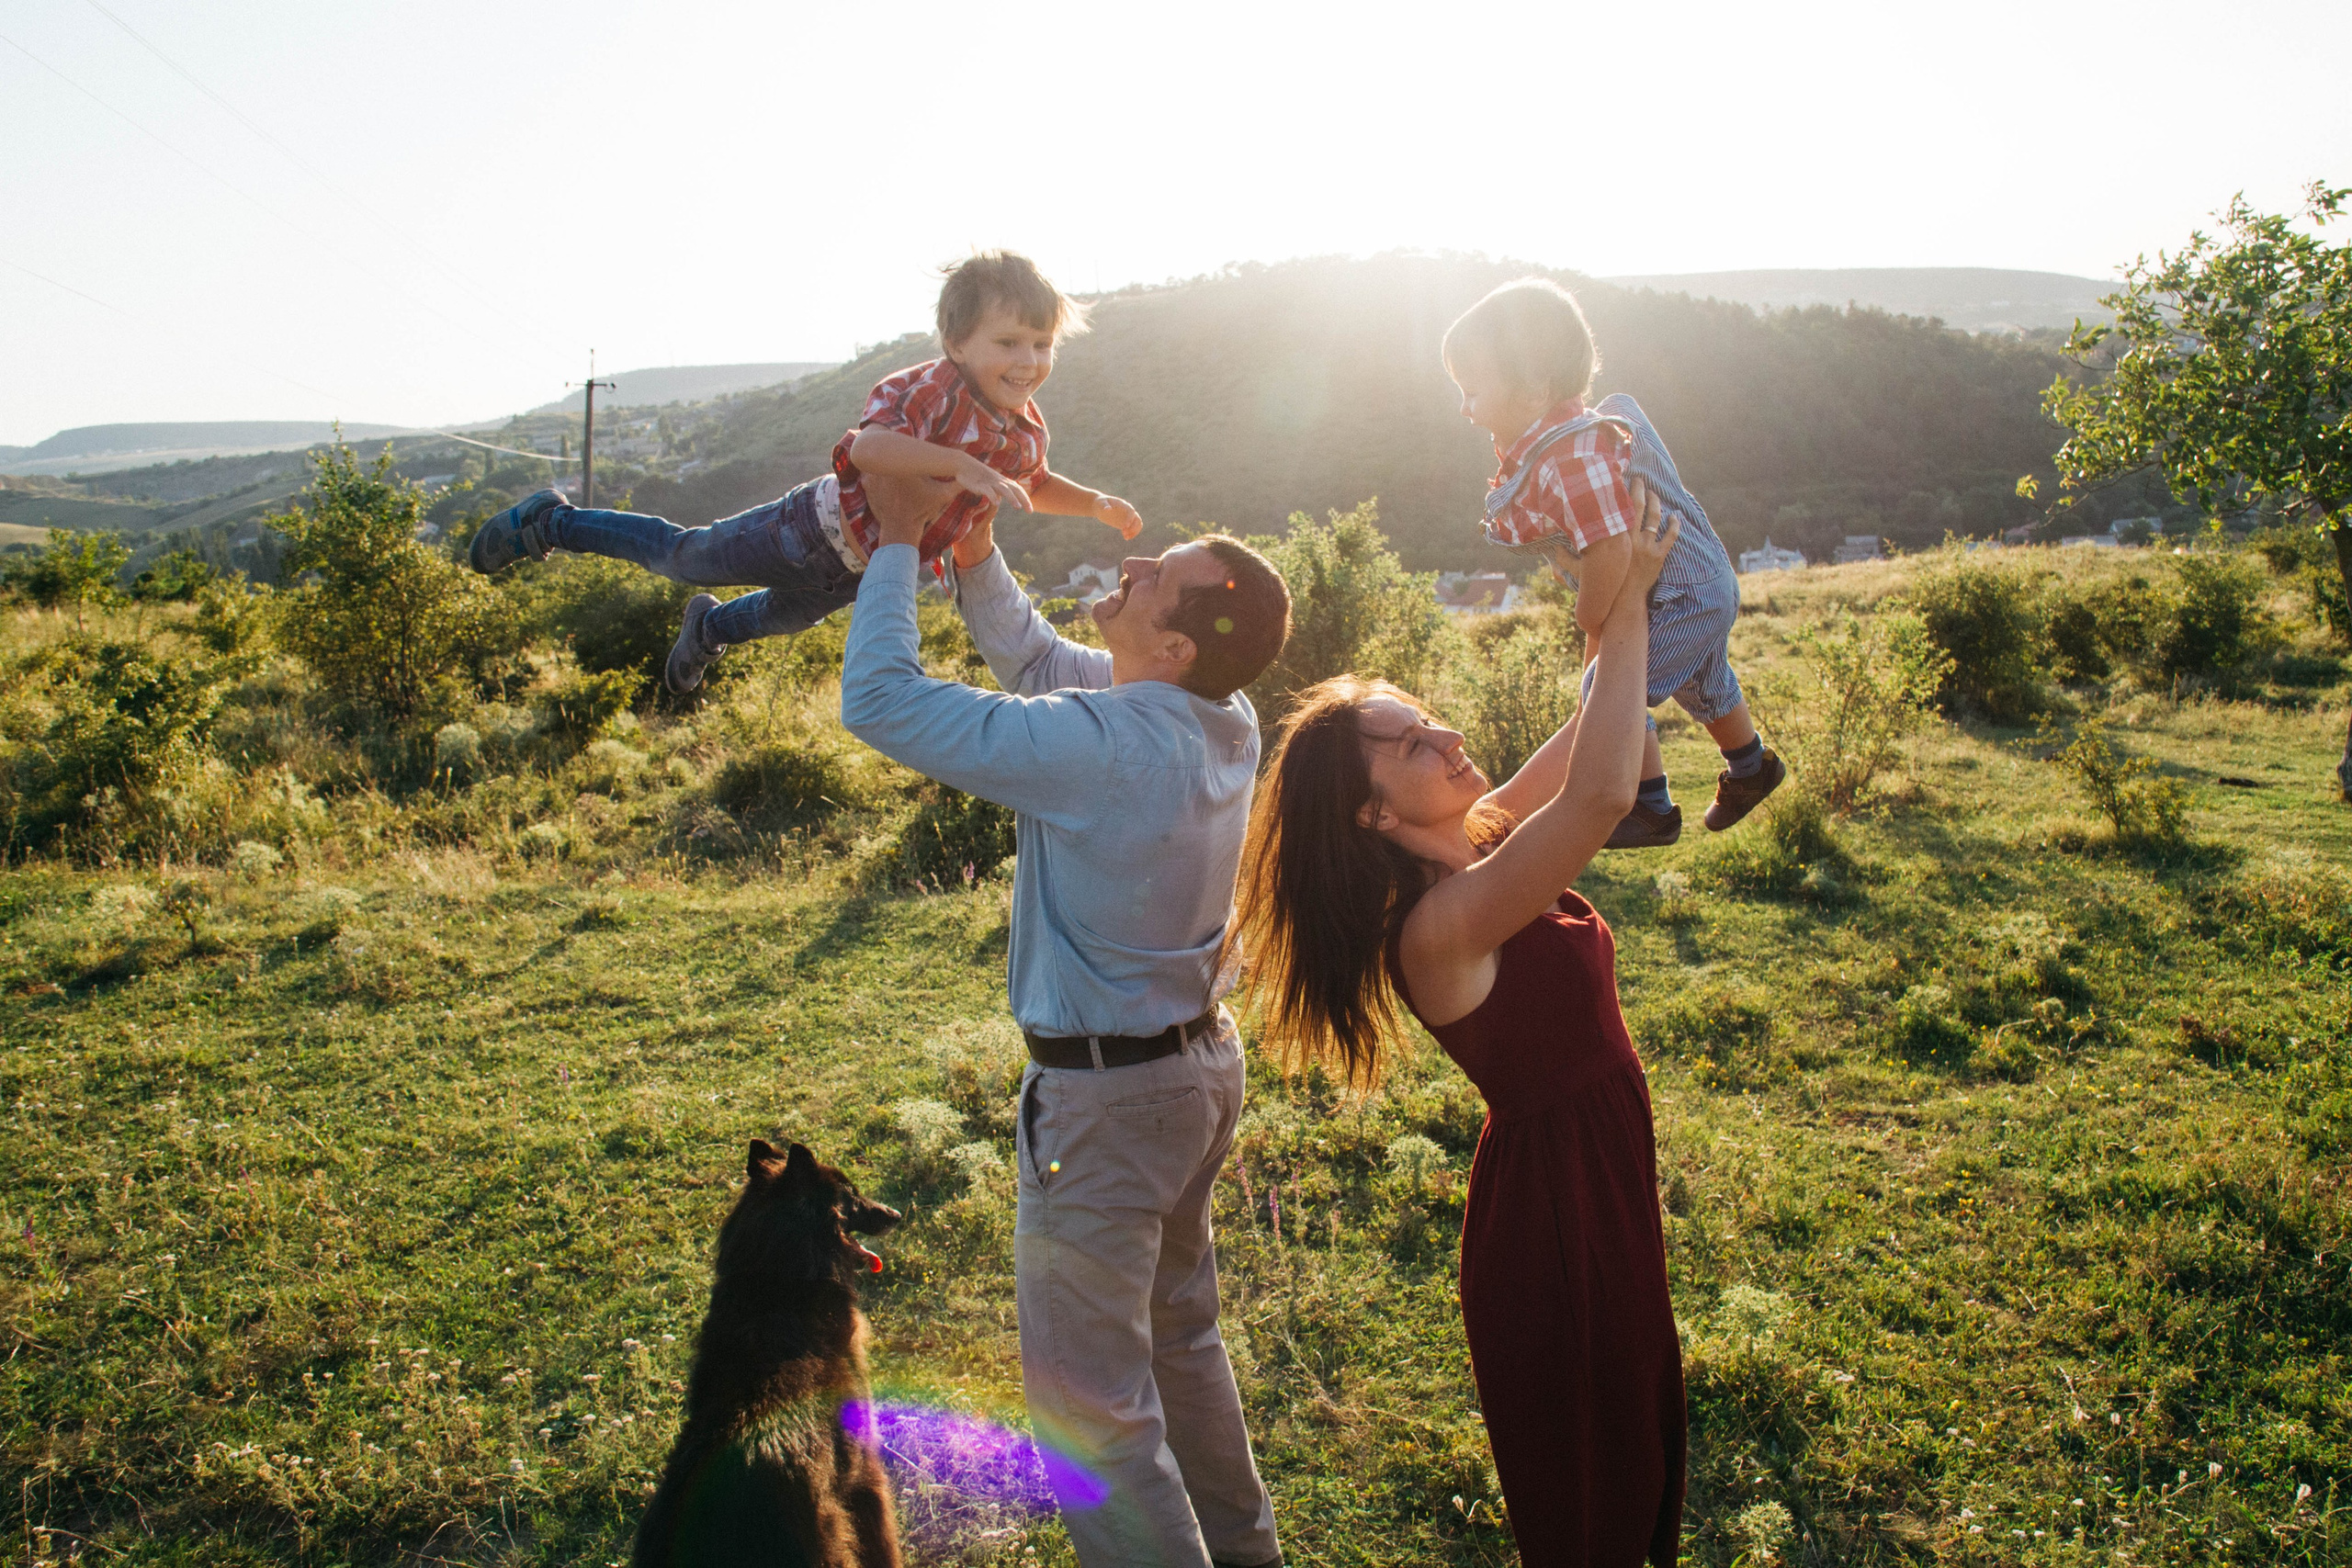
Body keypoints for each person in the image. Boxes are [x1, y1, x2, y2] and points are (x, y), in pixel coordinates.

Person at [1231, 485, 1687, 1567]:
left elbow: (1589, 739)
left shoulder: (1480, 842)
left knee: (1636, 1446)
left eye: (1428, 717)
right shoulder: (1439, 929)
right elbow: (1598, 798)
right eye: (1409, 744)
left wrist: (1622, 587)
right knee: (1594, 1491)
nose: (1447, 738)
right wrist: (1616, 619)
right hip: (1555, 1217)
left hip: (1599, 1179)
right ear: (1373, 816)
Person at [839, 495, 1293, 1568]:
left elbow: (880, 700)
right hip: (1193, 1074)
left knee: (1093, 1414)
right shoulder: (1218, 715)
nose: (1129, 566)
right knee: (1181, 1343)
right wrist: (981, 556)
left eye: (1154, 574)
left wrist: (899, 541)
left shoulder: (1109, 743)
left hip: (1107, 1106)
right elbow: (1047, 670)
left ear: (1174, 643)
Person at [466, 251, 1143, 694]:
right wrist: (959, 465)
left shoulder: (1023, 427)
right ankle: (548, 519)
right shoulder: (927, 390)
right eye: (1008, 342)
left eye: (1041, 343)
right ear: (957, 343)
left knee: (780, 620)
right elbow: (871, 447)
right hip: (811, 528)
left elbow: (1034, 482)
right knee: (687, 555)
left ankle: (706, 631)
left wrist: (1095, 505)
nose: (1028, 360)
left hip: (866, 569)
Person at [1443, 276, 1782, 847]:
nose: (1465, 409)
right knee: (1702, 679)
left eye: (1473, 392)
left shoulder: (1569, 458)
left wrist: (1589, 613)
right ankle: (1751, 765)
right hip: (1696, 587)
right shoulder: (1583, 433)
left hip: (1680, 594)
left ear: (1533, 391)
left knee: (1608, 692)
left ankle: (1650, 804)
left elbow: (1612, 547)